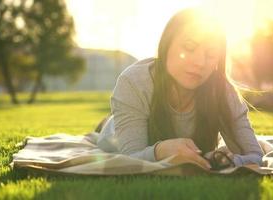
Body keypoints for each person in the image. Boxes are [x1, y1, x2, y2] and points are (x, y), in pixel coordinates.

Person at [97, 8, 264, 171]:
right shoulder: (134, 83)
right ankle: (106, 121)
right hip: (113, 132)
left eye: (211, 54)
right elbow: (130, 159)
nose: (200, 62)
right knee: (110, 127)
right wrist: (160, 151)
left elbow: (255, 157)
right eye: (189, 47)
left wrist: (223, 160)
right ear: (166, 45)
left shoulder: (222, 91)